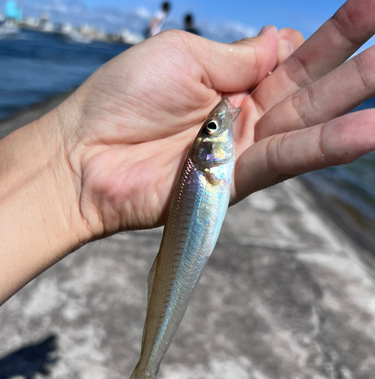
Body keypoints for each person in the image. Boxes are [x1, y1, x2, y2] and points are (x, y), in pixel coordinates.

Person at [0, 0, 374, 307]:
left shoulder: (208, 165)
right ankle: (147, 368)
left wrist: (65, 170)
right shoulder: (206, 165)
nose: (220, 125)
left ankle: (147, 366)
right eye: (213, 128)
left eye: (211, 128)